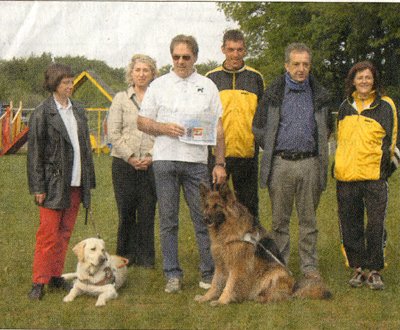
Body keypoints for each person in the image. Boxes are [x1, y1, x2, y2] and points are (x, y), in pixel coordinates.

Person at [137, 34, 227, 293]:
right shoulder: (159, 85)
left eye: (186, 57)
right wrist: (163, 127)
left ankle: (208, 272)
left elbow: (218, 129)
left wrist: (219, 162)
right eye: (176, 57)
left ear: (195, 57)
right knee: (168, 220)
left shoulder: (208, 85)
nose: (180, 61)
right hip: (164, 160)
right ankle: (172, 274)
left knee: (203, 219)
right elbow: (142, 122)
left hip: (196, 162)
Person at [252, 43, 332, 279]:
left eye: (305, 64)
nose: (301, 69)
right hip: (281, 164)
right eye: (296, 64)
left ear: (310, 66)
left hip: (310, 164)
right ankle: (280, 265)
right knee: (280, 222)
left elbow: (327, 128)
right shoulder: (273, 95)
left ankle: (309, 267)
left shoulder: (319, 95)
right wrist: (274, 149)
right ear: (286, 66)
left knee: (308, 221)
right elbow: (258, 128)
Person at [27, 63, 96, 300]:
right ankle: (39, 281)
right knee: (48, 234)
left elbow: (84, 147)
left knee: (65, 233)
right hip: (53, 184)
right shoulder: (42, 113)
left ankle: (55, 276)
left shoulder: (78, 109)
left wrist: (88, 181)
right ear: (54, 84)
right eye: (66, 82)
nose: (71, 86)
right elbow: (35, 153)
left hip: (76, 181)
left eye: (72, 81)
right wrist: (38, 187)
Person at [334, 61, 399, 290]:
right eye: (359, 77)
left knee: (375, 225)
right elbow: (339, 139)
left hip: (374, 179)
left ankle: (374, 270)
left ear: (374, 80)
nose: (364, 81)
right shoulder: (344, 106)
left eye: (368, 77)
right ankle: (358, 268)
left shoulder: (386, 106)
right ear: (353, 80)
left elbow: (393, 143)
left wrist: (383, 171)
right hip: (346, 178)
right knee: (350, 224)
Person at [206, 30, 264, 222]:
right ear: (223, 49)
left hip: (246, 154)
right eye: (231, 50)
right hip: (217, 155)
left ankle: (251, 248)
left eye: (239, 50)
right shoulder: (211, 78)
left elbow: (262, 117)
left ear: (245, 51)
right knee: (215, 205)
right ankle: (217, 248)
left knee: (248, 206)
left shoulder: (255, 78)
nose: (235, 55)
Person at [107, 54, 157, 268]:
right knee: (126, 211)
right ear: (131, 73)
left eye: (146, 70)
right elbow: (113, 132)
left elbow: (163, 131)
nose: (141, 74)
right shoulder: (120, 99)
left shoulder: (158, 98)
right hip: (123, 164)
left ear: (153, 73)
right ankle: (124, 256)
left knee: (147, 211)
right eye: (138, 70)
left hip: (151, 164)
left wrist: (150, 156)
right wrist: (130, 157)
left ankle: (146, 258)